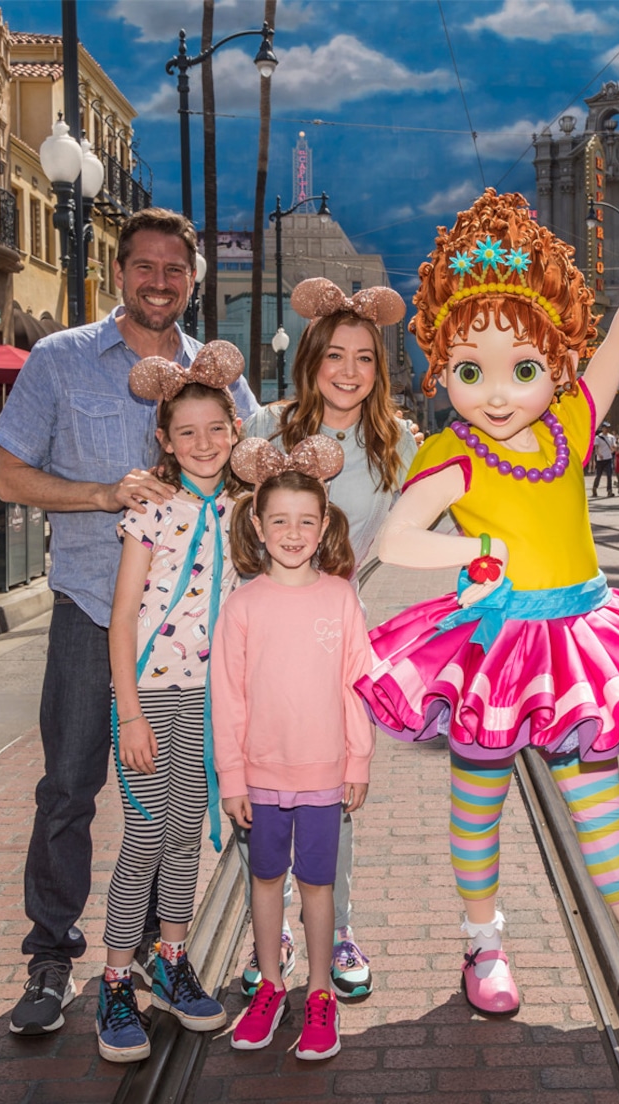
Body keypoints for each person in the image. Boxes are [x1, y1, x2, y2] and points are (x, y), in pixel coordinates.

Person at [355, 189, 619, 1028]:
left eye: (522, 368)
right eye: (469, 371)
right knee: (478, 798)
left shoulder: (571, 421)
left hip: (577, 643)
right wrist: (475, 555)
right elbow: (397, 540)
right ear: (443, 369)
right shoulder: (449, 450)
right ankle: (482, 943)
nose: (496, 393)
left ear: (555, 363)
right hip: (494, 649)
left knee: (600, 803)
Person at [0, 207, 258, 1037]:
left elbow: (253, 466)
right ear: (118, 271)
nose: (160, 282)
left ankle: (154, 948)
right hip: (87, 610)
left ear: (190, 281)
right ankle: (50, 960)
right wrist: (103, 495)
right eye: (145, 266)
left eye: (175, 270)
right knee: (70, 788)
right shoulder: (61, 359)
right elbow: (7, 476)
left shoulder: (212, 372)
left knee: (179, 806)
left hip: (189, 642)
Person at [240, 278, 418, 1001]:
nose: (349, 371)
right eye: (335, 354)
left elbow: (416, 532)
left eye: (366, 358)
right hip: (260, 642)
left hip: (341, 641)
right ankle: (270, 933)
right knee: (257, 793)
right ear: (310, 355)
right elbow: (220, 515)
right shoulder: (264, 428)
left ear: (382, 367)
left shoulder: (398, 442)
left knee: (332, 796)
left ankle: (334, 928)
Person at [96, 344, 245, 1062]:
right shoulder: (150, 511)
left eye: (215, 428)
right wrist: (128, 710)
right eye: (186, 432)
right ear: (164, 440)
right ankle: (115, 980)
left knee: (186, 838)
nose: (203, 443)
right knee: (146, 840)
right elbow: (122, 617)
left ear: (236, 430)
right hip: (152, 699)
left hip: (210, 705)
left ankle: (172, 961)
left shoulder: (246, 515)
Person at [212, 437, 375, 1059]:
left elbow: (357, 682)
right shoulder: (244, 603)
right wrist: (232, 778)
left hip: (324, 772)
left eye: (307, 521)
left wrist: (357, 757)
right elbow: (227, 697)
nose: (292, 532)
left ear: (324, 524)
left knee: (317, 885)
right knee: (263, 879)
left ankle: (318, 993)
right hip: (258, 775)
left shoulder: (338, 595)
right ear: (257, 524)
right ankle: (270, 987)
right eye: (279, 520)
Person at [591, 420, 616, 498]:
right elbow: (596, 448)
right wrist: (599, 454)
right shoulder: (598, 437)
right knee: (598, 475)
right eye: (605, 428)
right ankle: (594, 488)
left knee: (609, 475)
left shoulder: (611, 437)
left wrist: (614, 448)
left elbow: (613, 445)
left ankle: (609, 491)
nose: (607, 429)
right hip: (600, 459)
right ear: (602, 428)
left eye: (608, 428)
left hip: (608, 458)